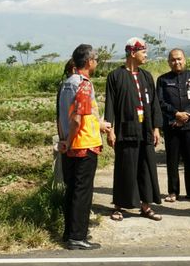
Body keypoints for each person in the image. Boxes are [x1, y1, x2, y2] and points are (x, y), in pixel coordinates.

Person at [57, 44, 111, 250]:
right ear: (89, 62)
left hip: (68, 145)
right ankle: (78, 236)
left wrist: (64, 142)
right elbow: (78, 119)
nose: (96, 63)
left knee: (72, 190)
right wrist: (70, 141)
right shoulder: (84, 85)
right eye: (95, 59)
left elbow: (63, 116)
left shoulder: (66, 83)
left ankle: (69, 232)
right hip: (82, 145)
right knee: (83, 192)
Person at [104, 37, 162, 221]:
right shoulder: (115, 76)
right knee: (125, 168)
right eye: (143, 51)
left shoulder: (146, 76)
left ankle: (145, 206)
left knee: (146, 167)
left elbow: (154, 104)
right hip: (125, 129)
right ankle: (119, 206)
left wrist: (156, 128)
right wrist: (111, 130)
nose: (146, 55)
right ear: (132, 52)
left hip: (145, 130)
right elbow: (110, 105)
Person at [157, 48, 190, 203]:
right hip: (172, 126)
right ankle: (173, 192)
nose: (176, 62)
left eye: (179, 59)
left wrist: (187, 115)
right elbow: (160, 101)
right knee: (172, 160)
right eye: (173, 60)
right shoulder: (163, 80)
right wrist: (176, 114)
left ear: (184, 59)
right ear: (168, 62)